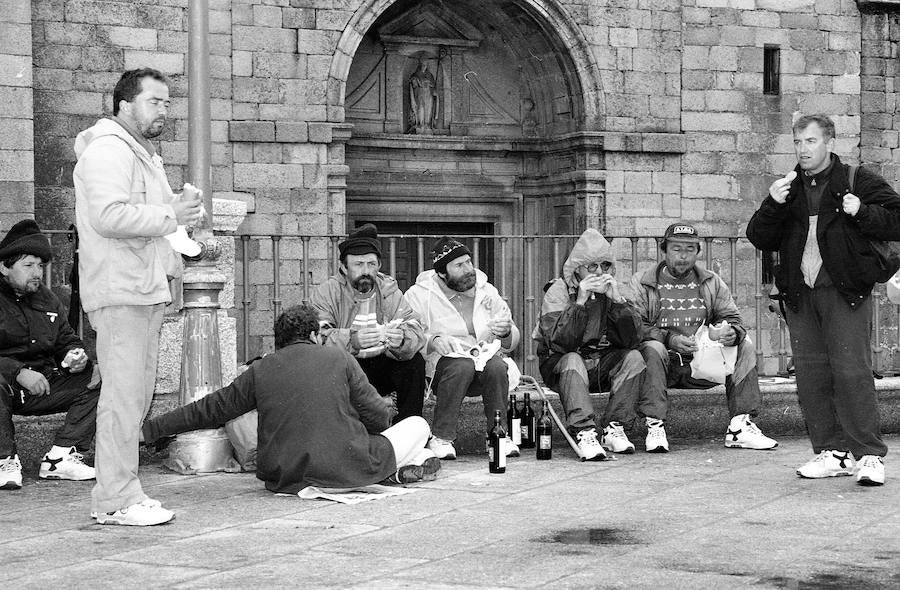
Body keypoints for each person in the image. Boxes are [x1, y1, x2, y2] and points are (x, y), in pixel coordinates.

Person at [74, 68, 203, 525]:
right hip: (121, 290)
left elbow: (155, 219)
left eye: (167, 102)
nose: (164, 110)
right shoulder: (109, 149)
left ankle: (124, 492)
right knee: (123, 400)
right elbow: (109, 215)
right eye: (154, 101)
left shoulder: (143, 154)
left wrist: (181, 226)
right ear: (125, 104)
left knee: (133, 399)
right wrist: (171, 213)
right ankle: (114, 500)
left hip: (140, 290)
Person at [747, 113, 900, 486]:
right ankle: (832, 451)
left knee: (852, 372)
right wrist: (772, 204)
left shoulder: (856, 179)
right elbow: (759, 237)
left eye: (810, 141)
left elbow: (897, 220)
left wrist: (862, 212)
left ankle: (869, 455)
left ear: (829, 142)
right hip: (801, 295)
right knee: (812, 376)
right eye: (797, 142)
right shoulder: (789, 186)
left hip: (845, 292)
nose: (802, 150)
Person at [141, 305, 440, 492]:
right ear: (312, 335)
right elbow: (377, 416)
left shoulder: (260, 369)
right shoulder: (340, 358)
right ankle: (396, 470)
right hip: (348, 465)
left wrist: (152, 430)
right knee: (417, 426)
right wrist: (377, 417)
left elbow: (209, 409)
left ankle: (401, 469)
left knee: (405, 444)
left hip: (284, 475)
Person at [630, 223, 778, 454]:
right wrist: (669, 339)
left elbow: (732, 318)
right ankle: (655, 426)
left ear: (698, 252)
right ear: (664, 250)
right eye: (676, 248)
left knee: (745, 345)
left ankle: (741, 426)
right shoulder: (643, 282)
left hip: (701, 363)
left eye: (690, 249)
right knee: (652, 348)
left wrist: (730, 333)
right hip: (661, 364)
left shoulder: (711, 281)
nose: (683, 256)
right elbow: (636, 326)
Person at [534, 228, 655, 460]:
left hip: (601, 362)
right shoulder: (558, 291)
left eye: (606, 266)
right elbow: (560, 343)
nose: (600, 272)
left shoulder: (613, 290)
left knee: (634, 357)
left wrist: (618, 303)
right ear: (577, 268)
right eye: (592, 267)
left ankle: (614, 427)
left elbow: (633, 340)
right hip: (562, 365)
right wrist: (579, 303)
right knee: (572, 358)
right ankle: (584, 430)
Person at [0, 220, 99, 490]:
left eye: (40, 266)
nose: (37, 273)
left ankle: (60, 457)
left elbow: (66, 339)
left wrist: (74, 357)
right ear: (4, 268)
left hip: (43, 385)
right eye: (28, 265)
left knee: (100, 378)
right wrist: (18, 372)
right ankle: (3, 460)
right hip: (6, 386)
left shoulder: (48, 300)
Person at [404, 237, 521, 460]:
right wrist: (433, 340)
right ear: (441, 273)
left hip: (483, 365)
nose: (469, 270)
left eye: (469, 262)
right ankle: (441, 437)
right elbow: (409, 333)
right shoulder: (418, 295)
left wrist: (506, 331)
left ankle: (498, 436)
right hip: (442, 371)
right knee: (461, 366)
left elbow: (513, 339)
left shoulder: (487, 290)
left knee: (497, 366)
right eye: (459, 265)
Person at [310, 224, 427, 423]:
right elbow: (317, 336)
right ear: (344, 267)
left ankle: (409, 427)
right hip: (346, 366)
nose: (366, 271)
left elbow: (415, 327)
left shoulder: (389, 289)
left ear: (379, 265)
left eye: (371, 264)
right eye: (358, 264)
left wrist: (402, 339)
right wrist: (352, 339)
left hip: (382, 363)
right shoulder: (327, 291)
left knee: (414, 364)